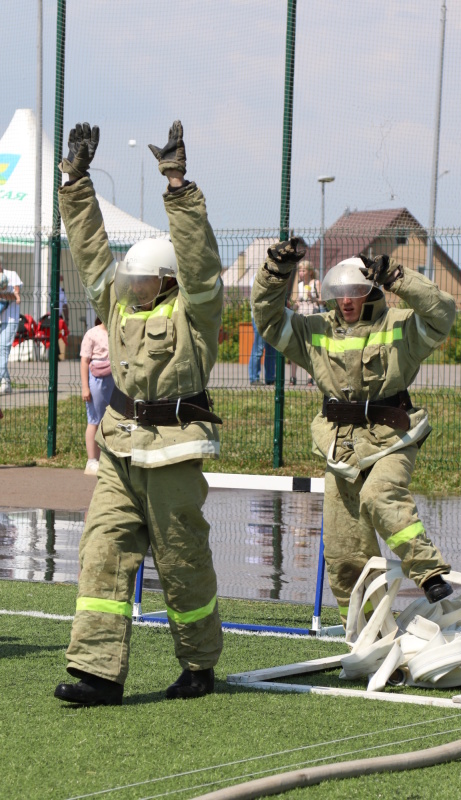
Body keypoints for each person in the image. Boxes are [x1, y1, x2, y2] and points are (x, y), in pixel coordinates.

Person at [53, 120, 224, 707]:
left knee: (182, 562)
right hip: (121, 446)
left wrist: (176, 184)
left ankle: (199, 664)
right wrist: (75, 181)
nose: (129, 284)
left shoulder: (196, 310)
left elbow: (201, 259)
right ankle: (98, 673)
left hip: (173, 449)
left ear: (167, 280)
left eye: (144, 277)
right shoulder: (118, 301)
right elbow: (89, 247)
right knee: (101, 549)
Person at [251, 237, 456, 626]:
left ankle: (429, 574)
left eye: (356, 291)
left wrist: (398, 276)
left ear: (371, 290)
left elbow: (442, 312)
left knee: (381, 495)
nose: (347, 301)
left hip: (392, 437)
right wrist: (277, 273)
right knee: (345, 553)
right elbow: (267, 318)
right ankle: (366, 638)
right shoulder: (314, 331)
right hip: (340, 447)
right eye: (340, 293)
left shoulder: (399, 326)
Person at [80, 318, 115, 475]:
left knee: (114, 419)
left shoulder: (117, 331)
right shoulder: (92, 334)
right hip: (97, 380)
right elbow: (84, 361)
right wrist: (85, 387)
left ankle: (110, 458)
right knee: (94, 419)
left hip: (114, 379)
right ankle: (92, 460)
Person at [289, 260, 321, 386]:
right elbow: (295, 302)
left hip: (313, 316)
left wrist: (312, 297)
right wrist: (294, 305)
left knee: (311, 347)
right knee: (296, 345)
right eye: (300, 271)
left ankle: (310, 377)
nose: (301, 273)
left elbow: (323, 300)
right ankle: (293, 377)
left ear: (310, 272)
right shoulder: (299, 285)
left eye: (304, 270)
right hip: (301, 315)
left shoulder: (316, 283)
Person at [0, 255, 22, 396]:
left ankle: (4, 382)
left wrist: (1, 294)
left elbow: (17, 297)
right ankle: (6, 383)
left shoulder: (11, 275)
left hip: (10, 320)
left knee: (3, 350)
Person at [249, 312, 276, 385]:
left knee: (271, 349)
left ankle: (270, 378)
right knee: (258, 349)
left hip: (271, 318)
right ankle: (254, 378)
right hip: (259, 317)